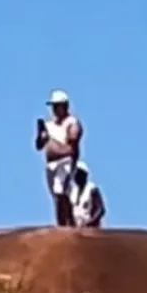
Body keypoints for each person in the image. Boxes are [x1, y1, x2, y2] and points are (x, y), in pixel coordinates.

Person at [35, 90, 84, 227]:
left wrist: (61, 145)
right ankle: (61, 224)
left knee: (61, 191)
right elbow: (39, 145)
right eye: (54, 106)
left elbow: (74, 140)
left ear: (65, 106)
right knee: (57, 196)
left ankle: (67, 224)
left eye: (58, 106)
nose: (55, 109)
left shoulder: (71, 122)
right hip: (51, 164)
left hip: (65, 162)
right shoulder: (49, 125)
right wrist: (42, 136)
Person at [70, 161, 106, 228]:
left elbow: (101, 210)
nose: (75, 176)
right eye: (74, 173)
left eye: (78, 173)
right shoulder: (73, 191)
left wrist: (90, 222)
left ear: (84, 175)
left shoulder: (92, 189)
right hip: (76, 227)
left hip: (91, 227)